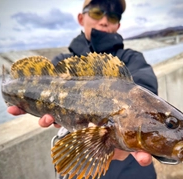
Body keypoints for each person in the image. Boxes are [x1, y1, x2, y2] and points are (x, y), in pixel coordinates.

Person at [8, 0, 158, 178]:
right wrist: (16, 96)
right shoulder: (59, 64)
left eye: (112, 16)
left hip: (132, 169)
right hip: (79, 167)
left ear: (118, 24)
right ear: (81, 18)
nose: (104, 20)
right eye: (96, 12)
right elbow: (34, 89)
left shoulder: (131, 59)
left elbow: (146, 94)